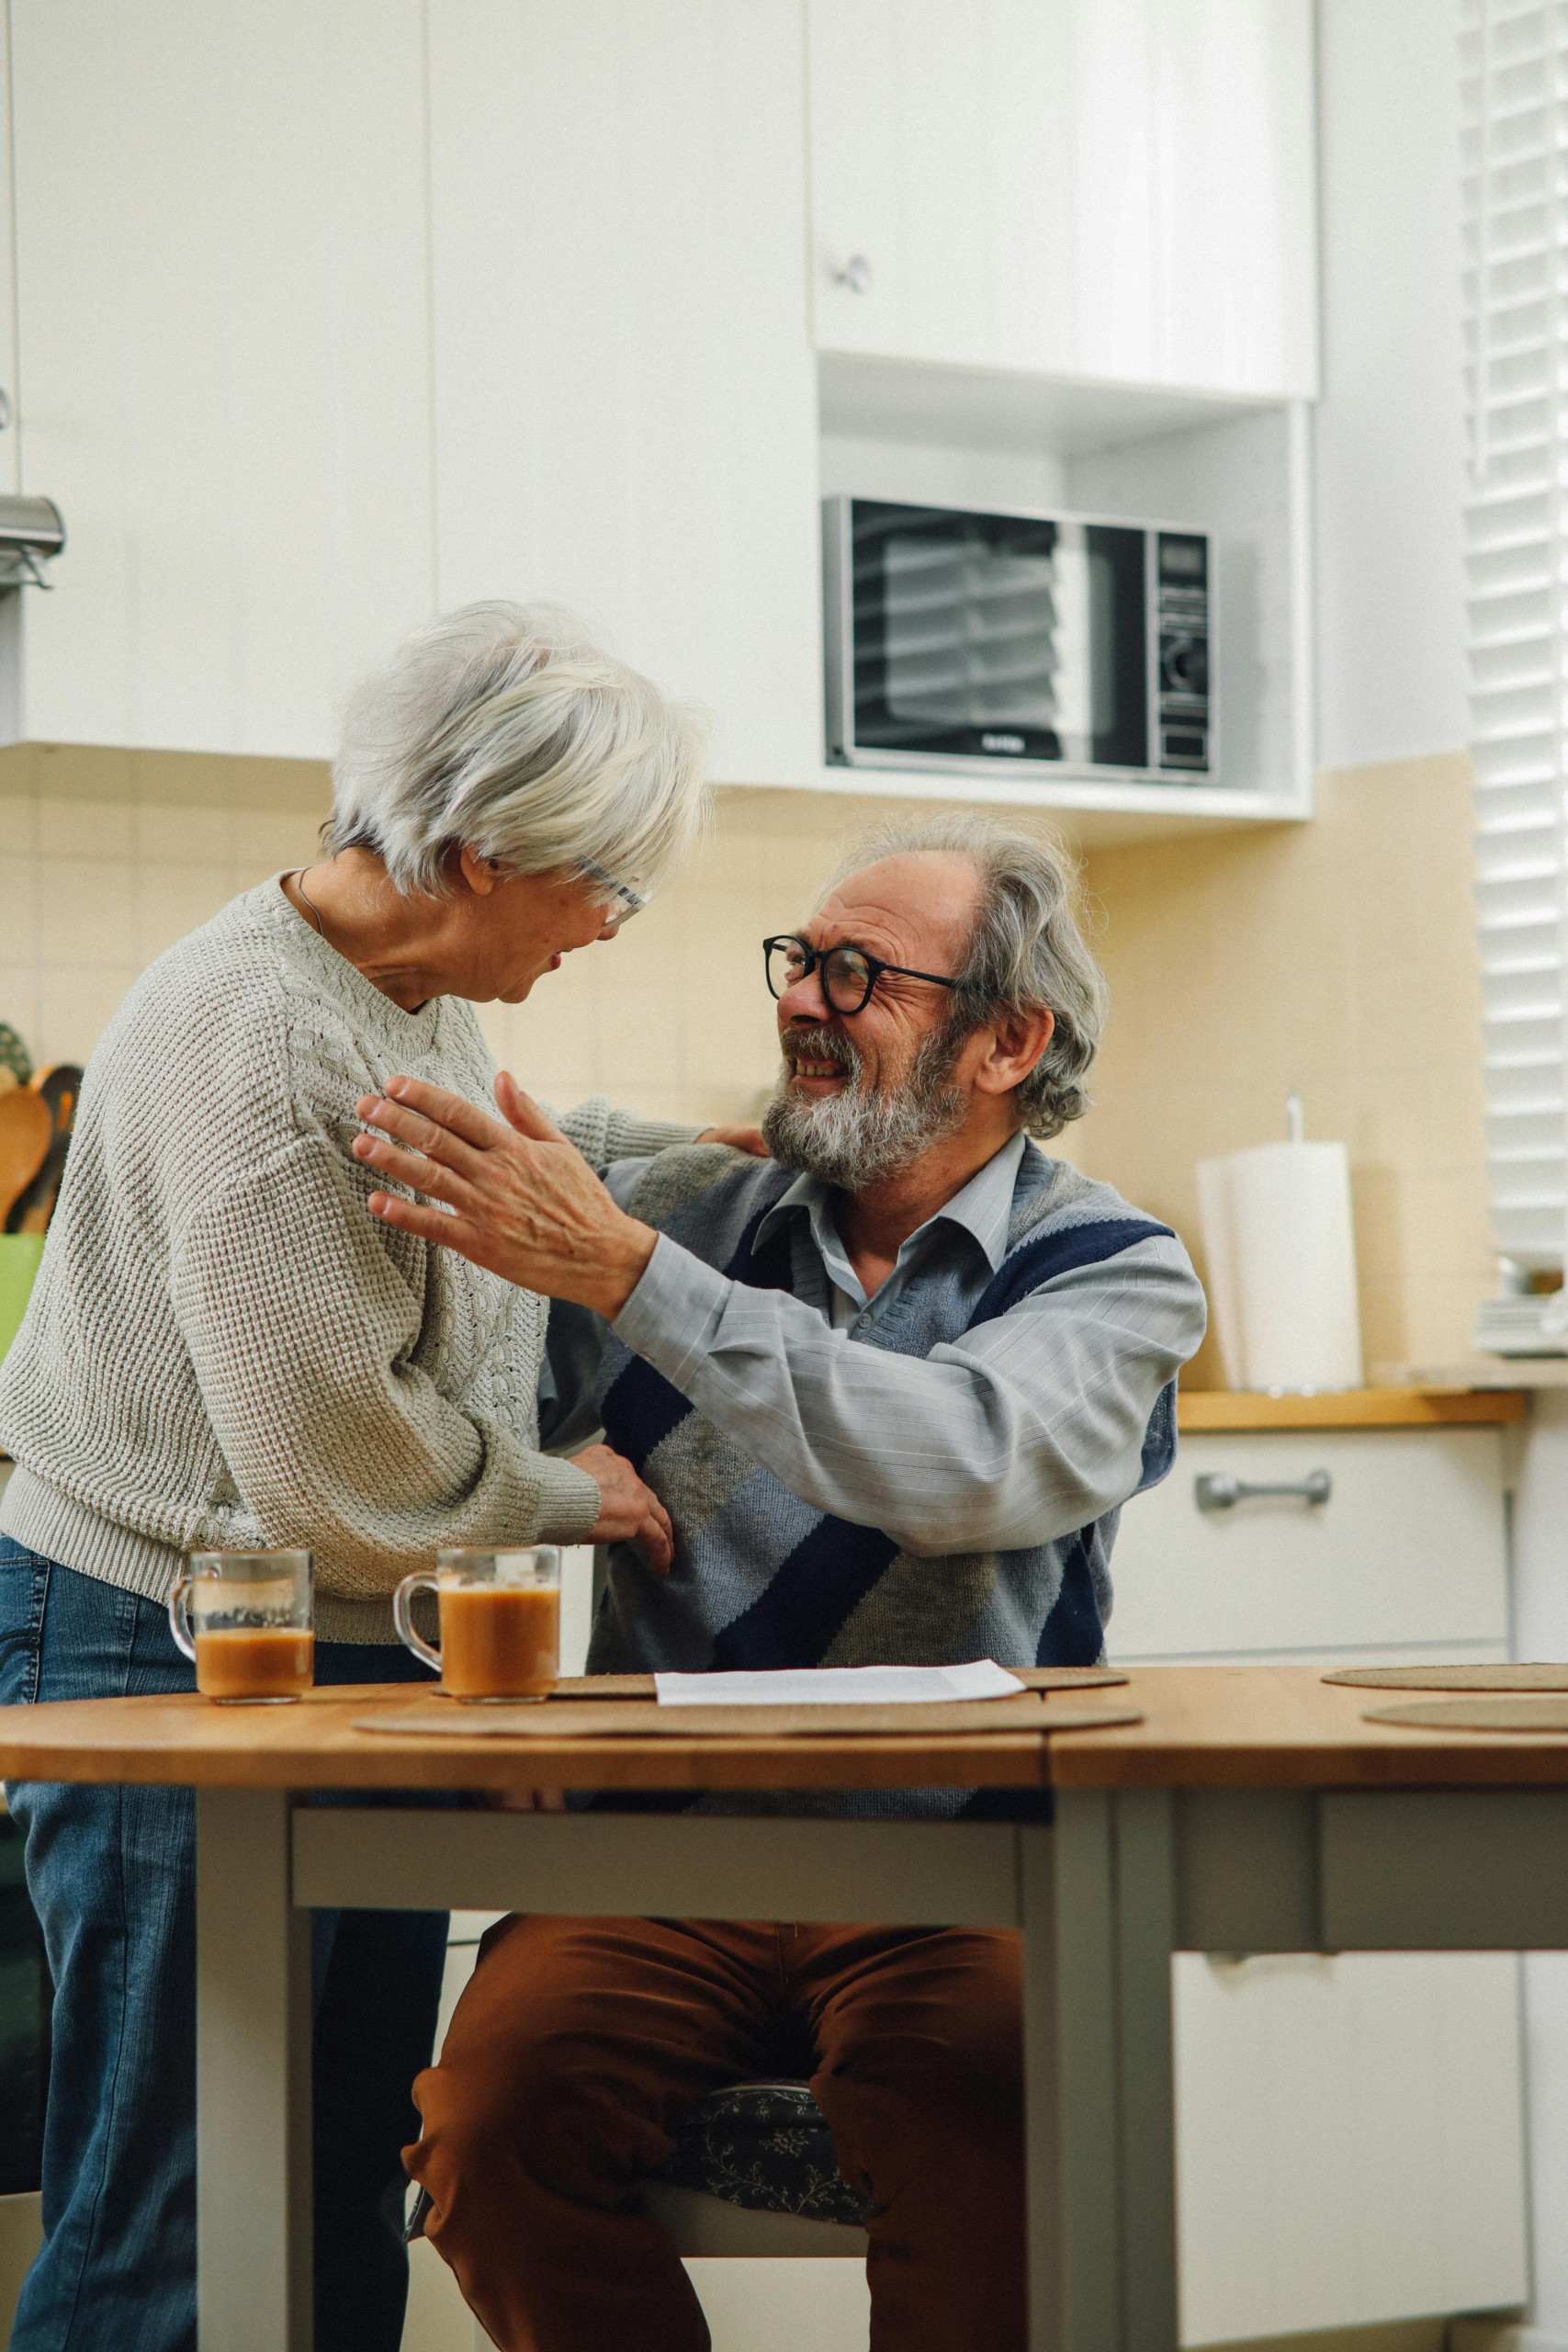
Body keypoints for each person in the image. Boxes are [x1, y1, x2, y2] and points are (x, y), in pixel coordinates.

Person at [350, 811, 1208, 2352]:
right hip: (670, 1856)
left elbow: (958, 1461)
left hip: (961, 1862)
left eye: (860, 974)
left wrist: (628, 1271)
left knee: (992, 2130)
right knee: (484, 2129)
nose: (803, 999)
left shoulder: (1113, 1271)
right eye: (800, 961)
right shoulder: (695, 1209)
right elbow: (462, 1405)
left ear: (1011, 1039)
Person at [0, 601, 750, 2352]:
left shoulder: (396, 989)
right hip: (167, 1641)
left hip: (325, 1640)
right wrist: (579, 1495)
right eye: (604, 889)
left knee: (331, 2195)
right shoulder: (261, 1041)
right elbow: (334, 1463)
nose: (610, 928)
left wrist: (686, 1158)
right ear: (485, 851)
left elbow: (468, 1159)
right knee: (180, 2220)